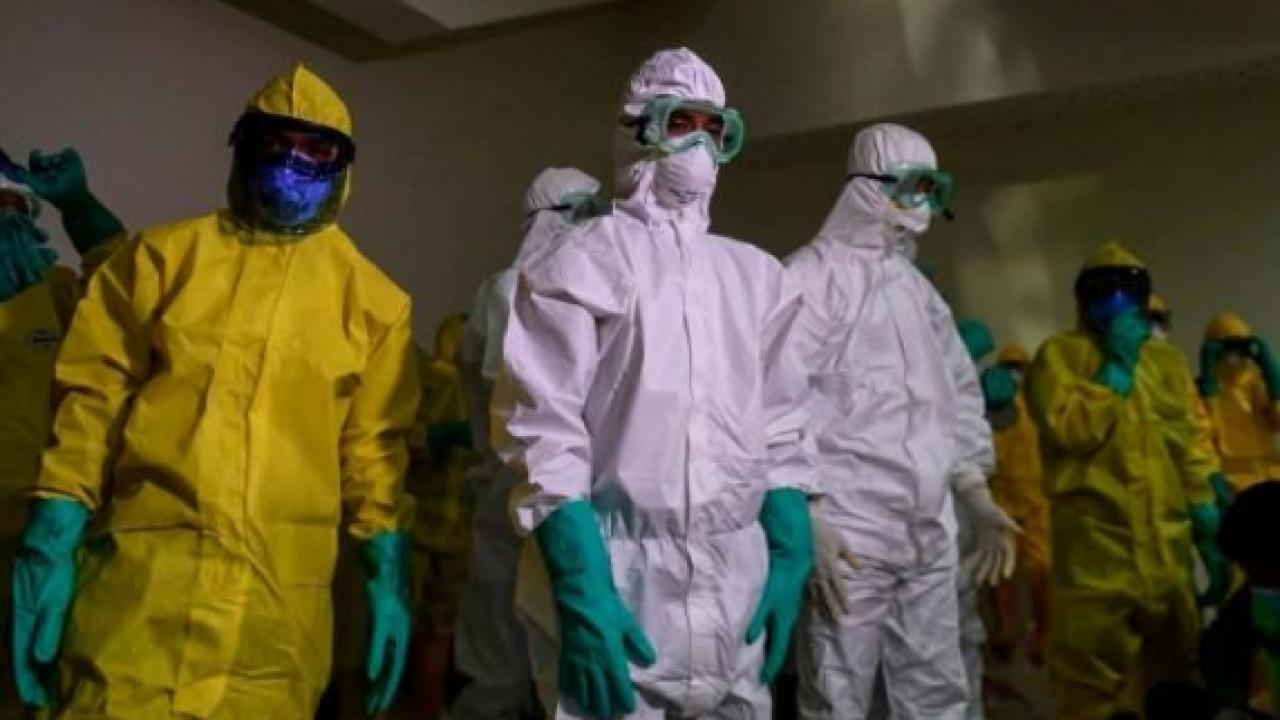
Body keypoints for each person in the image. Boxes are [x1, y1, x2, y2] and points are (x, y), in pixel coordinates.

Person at [10, 64, 418, 719]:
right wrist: (50, 540)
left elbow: (375, 454)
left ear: (343, 167)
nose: (291, 162)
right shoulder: (159, 260)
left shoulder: (372, 304)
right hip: (137, 601)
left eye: (315, 149)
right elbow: (90, 405)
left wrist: (387, 574)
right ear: (242, 146)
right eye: (276, 141)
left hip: (272, 622)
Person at [496, 47, 815, 720]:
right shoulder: (576, 263)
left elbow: (784, 425)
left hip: (736, 578)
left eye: (714, 128)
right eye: (681, 123)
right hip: (618, 576)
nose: (699, 144)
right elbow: (543, 436)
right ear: (638, 128)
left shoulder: (758, 277)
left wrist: (790, 549)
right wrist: (581, 587)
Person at [786, 124, 1017, 720]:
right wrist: (805, 509)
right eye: (912, 187)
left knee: (938, 692)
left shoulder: (917, 292)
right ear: (870, 186)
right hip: (850, 533)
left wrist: (973, 489)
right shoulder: (809, 279)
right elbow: (774, 400)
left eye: (930, 190)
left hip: (929, 527)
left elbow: (955, 392)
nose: (921, 206)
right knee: (837, 698)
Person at [1025, 241, 1229, 720]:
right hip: (1096, 551)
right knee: (1089, 684)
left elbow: (1188, 444)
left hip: (1166, 545)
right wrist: (1114, 371)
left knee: (1176, 673)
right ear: (1082, 297)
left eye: (1127, 288)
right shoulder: (1058, 357)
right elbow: (1071, 430)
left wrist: (1205, 514)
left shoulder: (1165, 363)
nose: (1115, 299)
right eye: (1102, 288)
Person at [451, 166, 603, 720]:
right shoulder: (509, 288)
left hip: (571, 495)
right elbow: (518, 394)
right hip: (513, 487)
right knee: (501, 650)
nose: (590, 226)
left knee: (565, 651)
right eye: (579, 212)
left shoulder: (591, 290)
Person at [0, 149, 124, 719]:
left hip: (51, 543)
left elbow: (128, 292)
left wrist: (79, 206)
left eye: (10, 207)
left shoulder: (56, 294)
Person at [405, 315, 478, 719]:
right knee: (413, 627)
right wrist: (443, 435)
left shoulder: (476, 388)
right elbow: (405, 438)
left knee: (436, 629)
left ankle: (426, 708)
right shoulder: (436, 380)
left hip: (455, 529)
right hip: (422, 526)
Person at [983, 341, 1051, 665]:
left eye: (1020, 367)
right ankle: (1005, 628)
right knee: (999, 573)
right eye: (1010, 367)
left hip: (1036, 499)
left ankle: (1043, 633)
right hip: (1000, 499)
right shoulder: (993, 406)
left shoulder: (1039, 405)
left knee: (1041, 571)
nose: (1016, 374)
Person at [1202, 480, 1280, 716]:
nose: (1255, 582)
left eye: (1263, 572)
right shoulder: (1251, 599)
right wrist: (1229, 705)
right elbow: (1221, 647)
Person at [1199, 311, 1280, 497]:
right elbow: (1204, 431)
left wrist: (1273, 377)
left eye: (1241, 345)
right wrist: (1208, 387)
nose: (1235, 352)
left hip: (1268, 474)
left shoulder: (1256, 385)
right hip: (1230, 481)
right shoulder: (1203, 391)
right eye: (1229, 345)